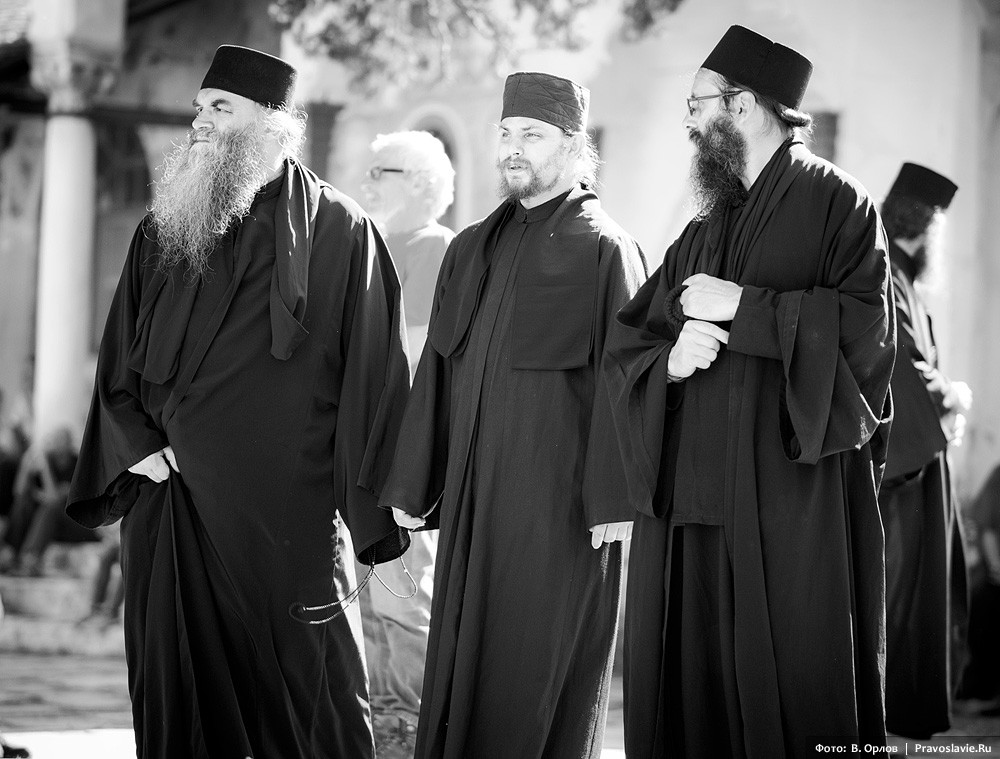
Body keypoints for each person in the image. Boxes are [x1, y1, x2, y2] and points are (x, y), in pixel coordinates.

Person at [65, 45, 410, 759]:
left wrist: (385, 500)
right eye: (200, 107)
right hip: (172, 509)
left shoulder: (344, 233)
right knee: (179, 702)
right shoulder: (163, 229)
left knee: (313, 709)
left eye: (221, 108)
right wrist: (135, 448)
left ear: (275, 125)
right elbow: (116, 361)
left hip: (287, 522)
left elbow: (375, 378)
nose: (201, 121)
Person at [603, 25, 895, 757]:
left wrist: (748, 309)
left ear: (742, 105)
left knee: (792, 679)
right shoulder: (709, 218)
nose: (689, 122)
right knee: (693, 689)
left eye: (697, 104)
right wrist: (670, 360)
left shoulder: (839, 203)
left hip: (785, 495)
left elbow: (866, 337)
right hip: (693, 499)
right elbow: (633, 335)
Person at [379, 71, 647, 758]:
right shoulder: (470, 248)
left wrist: (613, 499)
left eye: (532, 133)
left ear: (573, 145)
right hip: (474, 509)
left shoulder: (605, 249)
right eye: (505, 133)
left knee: (535, 682)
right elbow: (437, 370)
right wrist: (414, 486)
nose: (513, 147)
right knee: (463, 669)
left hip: (558, 517)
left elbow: (628, 384)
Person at [357, 130, 455, 756]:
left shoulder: (432, 247)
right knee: (369, 596)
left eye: (380, 172)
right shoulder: (376, 244)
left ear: (419, 181)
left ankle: (406, 727)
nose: (367, 183)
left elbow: (413, 356)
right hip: (364, 453)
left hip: (400, 456)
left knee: (401, 598)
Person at [878, 162, 970, 738]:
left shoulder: (902, 273)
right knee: (899, 587)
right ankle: (888, 712)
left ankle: (905, 711)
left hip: (920, 450)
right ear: (928, 223)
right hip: (903, 464)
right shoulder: (886, 270)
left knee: (922, 586)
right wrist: (952, 398)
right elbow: (903, 362)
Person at [1, 426, 93, 576]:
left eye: (61, 440)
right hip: (51, 525)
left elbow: (52, 498)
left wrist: (44, 467)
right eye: (54, 440)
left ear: (70, 444)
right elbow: (18, 492)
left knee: (51, 508)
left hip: (78, 524)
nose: (56, 444)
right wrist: (25, 466)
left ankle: (30, 559)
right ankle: (11, 554)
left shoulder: (77, 465)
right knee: (23, 504)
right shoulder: (50, 460)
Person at [957, 462, 1000, 715]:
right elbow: (986, 528)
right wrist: (996, 566)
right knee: (981, 603)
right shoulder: (998, 475)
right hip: (995, 577)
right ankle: (981, 689)